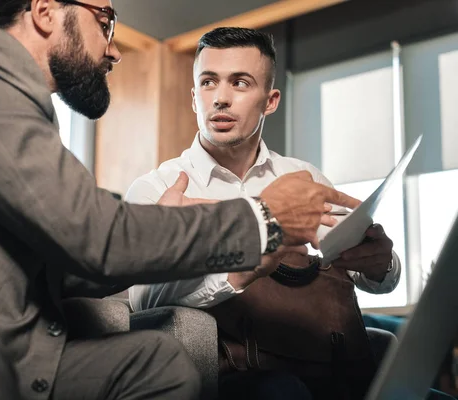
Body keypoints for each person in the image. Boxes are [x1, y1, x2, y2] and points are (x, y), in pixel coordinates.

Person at [0, 1, 360, 399]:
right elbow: (92, 234)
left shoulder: (26, 107)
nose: (114, 51)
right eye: (106, 21)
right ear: (45, 10)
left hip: (15, 347)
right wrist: (264, 220)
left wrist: (151, 226)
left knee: (158, 364)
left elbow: (69, 256)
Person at [126, 27, 401, 399]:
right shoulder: (156, 188)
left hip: (320, 357)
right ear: (194, 97)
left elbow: (364, 273)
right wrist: (248, 256)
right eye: (208, 83)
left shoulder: (303, 177)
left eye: (239, 83)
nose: (220, 99)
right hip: (237, 375)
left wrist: (383, 264)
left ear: (270, 101)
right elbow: (145, 303)